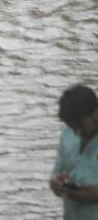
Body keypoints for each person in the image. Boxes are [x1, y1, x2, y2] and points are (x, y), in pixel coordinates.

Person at [50, 84, 98, 219]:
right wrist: (56, 185)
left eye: (81, 126)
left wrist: (93, 196)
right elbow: (57, 173)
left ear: (95, 113)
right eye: (72, 127)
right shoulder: (67, 135)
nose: (77, 132)